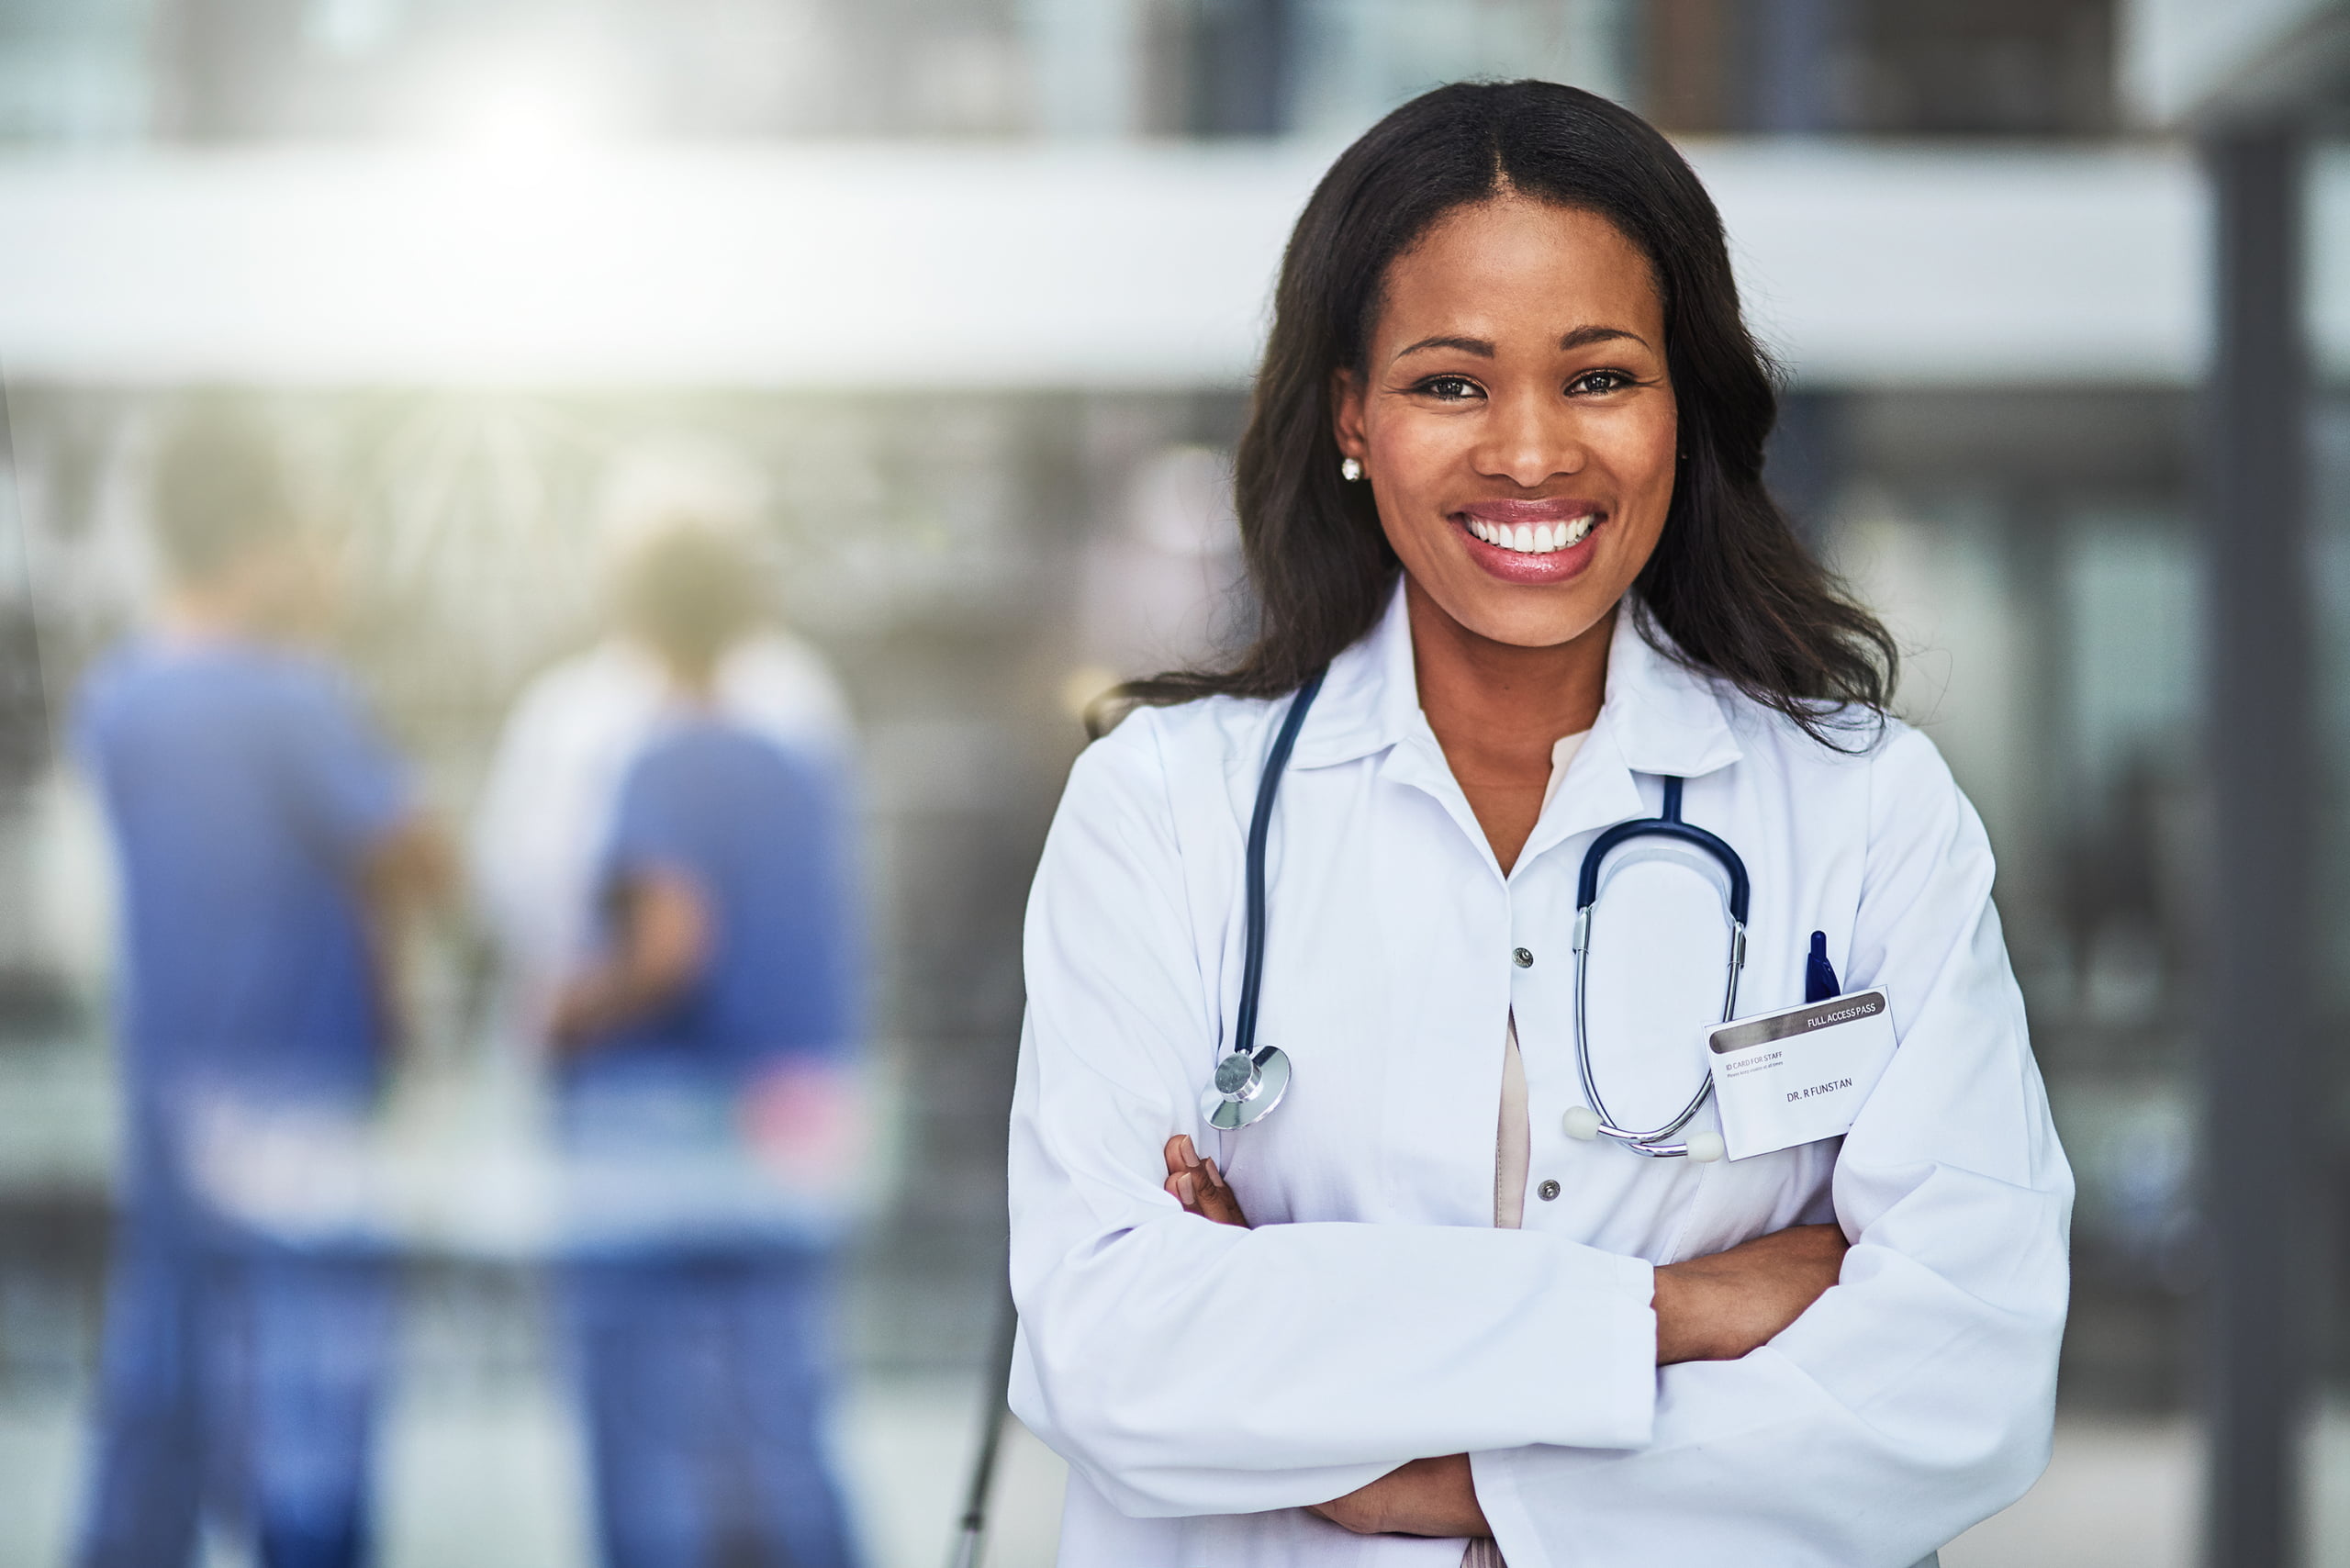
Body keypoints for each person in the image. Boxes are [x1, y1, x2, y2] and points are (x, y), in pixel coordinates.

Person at [1008, 82, 2072, 1566]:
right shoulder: (1165, 810)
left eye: (1598, 377)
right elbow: (1114, 1345)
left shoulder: (1865, 807)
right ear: (1350, 418)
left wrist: (1434, 1466)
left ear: (1681, 404)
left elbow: (1962, 1372)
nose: (1528, 452)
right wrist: (1678, 1308)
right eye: (1451, 382)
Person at [73, 409, 443, 1568]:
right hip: (303, 1129)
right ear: (261, 543)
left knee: (158, 1424)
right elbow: (425, 856)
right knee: (312, 1444)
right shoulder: (293, 699)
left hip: (172, 1114)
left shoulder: (121, 696)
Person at [544, 522, 864, 1568]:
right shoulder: (796, 763)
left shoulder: (660, 759)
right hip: (788, 1121)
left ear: (633, 619)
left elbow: (672, 944)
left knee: (652, 1437)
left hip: (669, 1135)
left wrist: (562, 1013)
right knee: (776, 1411)